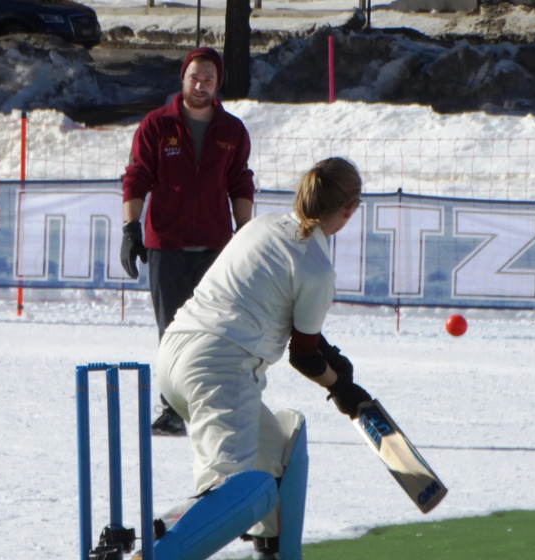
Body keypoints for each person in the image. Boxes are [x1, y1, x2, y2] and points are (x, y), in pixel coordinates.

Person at [148, 157, 372, 560]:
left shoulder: (261, 226)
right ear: (349, 209)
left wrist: (331, 356)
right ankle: (148, 550)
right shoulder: (317, 267)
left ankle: (271, 550)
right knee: (230, 499)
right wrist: (341, 388)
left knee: (282, 449)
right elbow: (302, 356)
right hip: (221, 368)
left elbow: (280, 314)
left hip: (173, 355)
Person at [120, 46, 256, 437]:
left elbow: (240, 183)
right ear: (183, 78)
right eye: (194, 78)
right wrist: (131, 229)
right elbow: (136, 177)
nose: (200, 86)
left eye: (208, 80)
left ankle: (212, 407)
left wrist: (244, 233)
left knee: (216, 332)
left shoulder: (232, 131)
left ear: (218, 85)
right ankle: (174, 411)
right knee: (173, 333)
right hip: (167, 247)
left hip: (215, 248)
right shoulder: (156, 125)